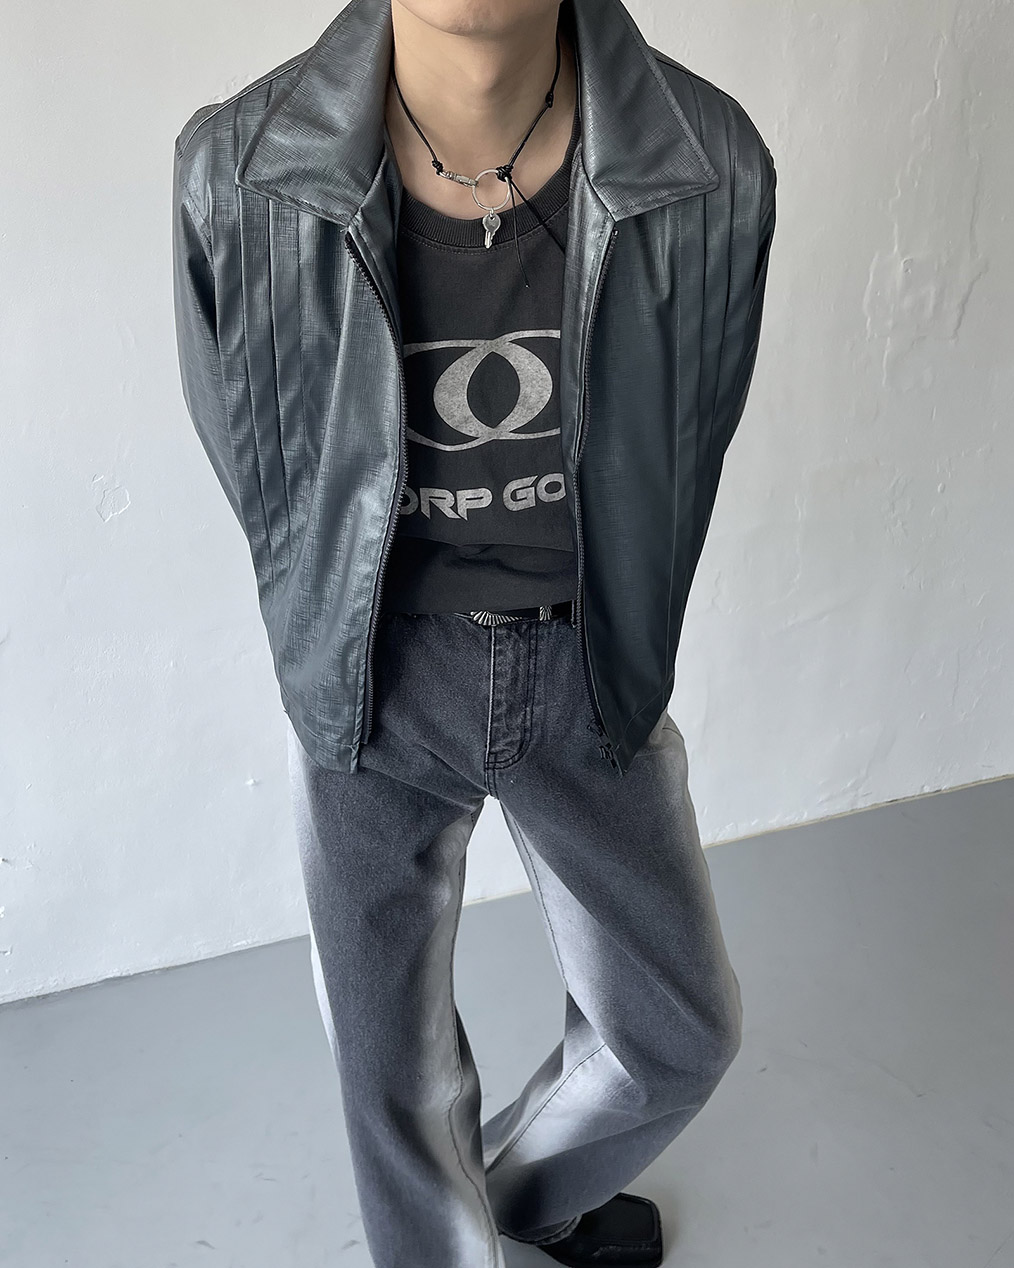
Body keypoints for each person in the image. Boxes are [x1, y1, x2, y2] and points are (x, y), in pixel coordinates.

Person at [171, 0, 776, 1264]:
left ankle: (506, 1205)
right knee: (392, 1081)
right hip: (372, 683)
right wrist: (330, 631)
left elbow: (690, 439)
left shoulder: (712, 166)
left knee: (678, 1031)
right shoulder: (239, 172)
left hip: (588, 668)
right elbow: (262, 464)